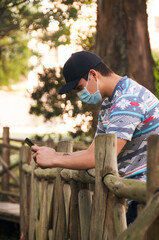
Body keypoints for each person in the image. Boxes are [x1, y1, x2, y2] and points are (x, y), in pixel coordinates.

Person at [32, 51, 159, 223]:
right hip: (138, 194)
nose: (80, 95)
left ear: (93, 74)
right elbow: (94, 152)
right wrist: (53, 154)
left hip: (150, 196)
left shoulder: (128, 101)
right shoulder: (110, 103)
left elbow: (99, 158)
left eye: (79, 88)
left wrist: (54, 159)